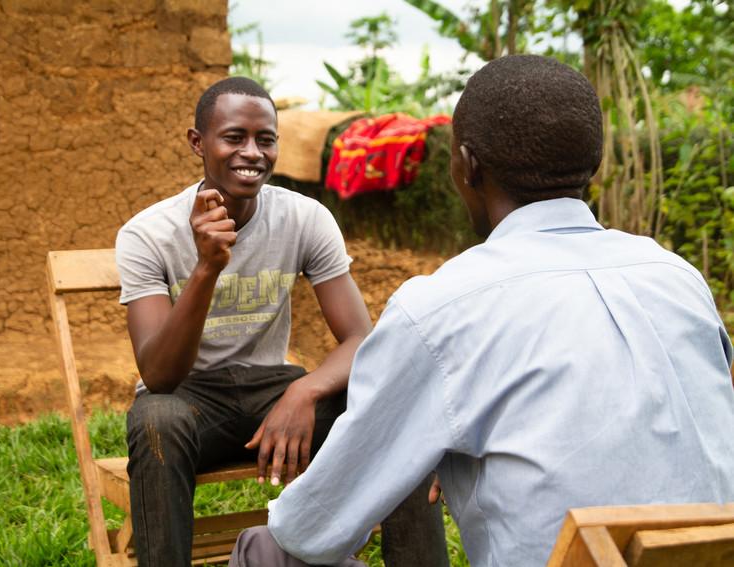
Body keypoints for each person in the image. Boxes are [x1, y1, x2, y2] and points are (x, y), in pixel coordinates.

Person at [229, 55, 734, 567]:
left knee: (267, 548)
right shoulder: (678, 277)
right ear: (593, 166)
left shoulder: (441, 308)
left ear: (467, 165)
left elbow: (312, 528)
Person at [115, 76, 448, 567]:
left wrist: (305, 391)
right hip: (190, 400)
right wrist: (207, 267)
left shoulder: (305, 218)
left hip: (273, 388)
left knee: (393, 410)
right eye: (233, 137)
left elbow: (361, 338)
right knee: (156, 421)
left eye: (265, 139)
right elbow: (160, 376)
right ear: (197, 142)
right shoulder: (148, 234)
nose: (252, 152)